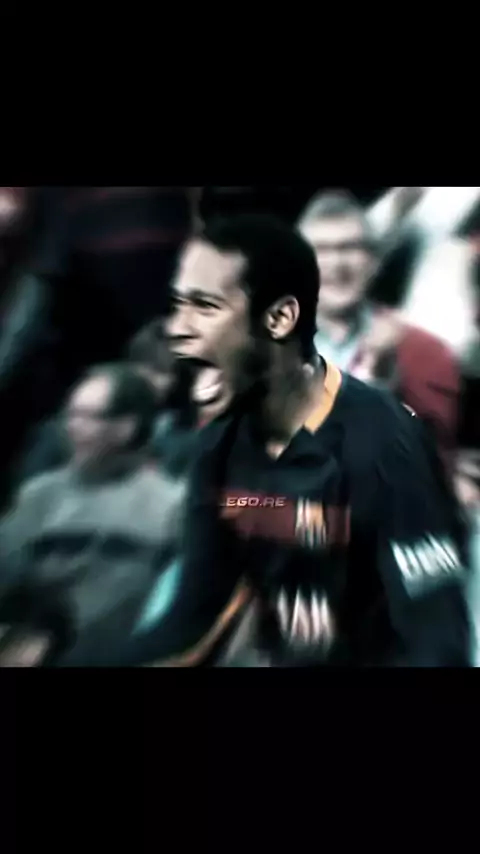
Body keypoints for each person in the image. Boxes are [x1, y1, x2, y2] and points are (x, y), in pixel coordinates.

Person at [114, 214, 470, 668]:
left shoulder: (389, 440)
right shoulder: (218, 448)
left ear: (279, 319)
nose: (179, 331)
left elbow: (435, 638)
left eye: (207, 307)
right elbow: (191, 616)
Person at [0, 363, 186, 666]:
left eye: (88, 417)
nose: (73, 427)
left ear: (126, 428)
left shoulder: (170, 506)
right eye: (71, 415)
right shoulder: (39, 496)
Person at [298, 190, 461, 457]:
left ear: (374, 261)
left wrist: (387, 381)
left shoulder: (424, 352)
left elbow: (434, 458)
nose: (337, 263)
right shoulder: (262, 346)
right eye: (321, 250)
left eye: (350, 248)